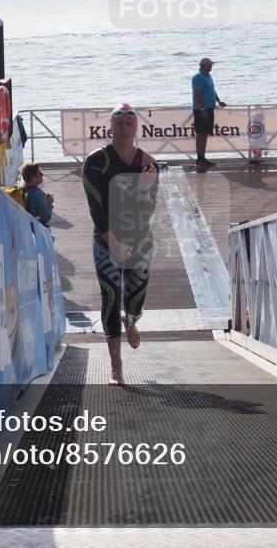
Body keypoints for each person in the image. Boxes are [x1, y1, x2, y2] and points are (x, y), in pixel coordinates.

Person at [82, 103, 159, 385]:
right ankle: (116, 366)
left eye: (129, 125)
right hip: (106, 237)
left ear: (136, 129)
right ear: (110, 128)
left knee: (136, 298)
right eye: (120, 125)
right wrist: (110, 240)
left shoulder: (148, 164)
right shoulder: (95, 162)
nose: (124, 130)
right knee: (111, 295)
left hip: (139, 237)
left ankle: (133, 321)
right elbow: (97, 207)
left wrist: (141, 192)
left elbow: (147, 212)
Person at [191, 57, 227, 168]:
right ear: (204, 66)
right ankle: (199, 159)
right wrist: (202, 110)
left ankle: (203, 158)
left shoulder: (208, 76)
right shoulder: (198, 77)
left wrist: (219, 101)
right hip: (201, 110)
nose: (212, 66)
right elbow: (197, 94)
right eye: (210, 64)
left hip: (210, 108)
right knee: (200, 134)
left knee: (205, 134)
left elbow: (212, 90)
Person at [20, 162, 54, 226]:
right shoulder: (38, 194)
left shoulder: (23, 189)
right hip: (36, 227)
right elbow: (46, 218)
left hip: (26, 224)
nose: (42, 175)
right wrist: (49, 203)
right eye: (40, 173)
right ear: (33, 178)